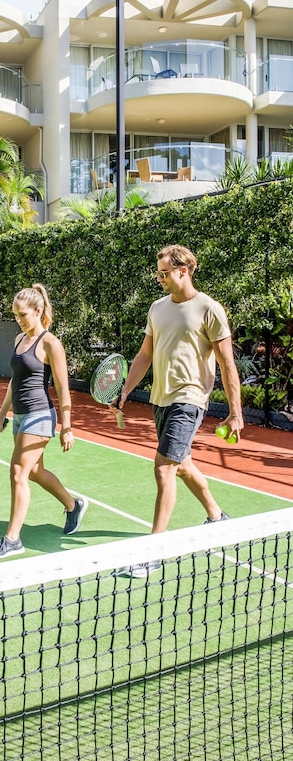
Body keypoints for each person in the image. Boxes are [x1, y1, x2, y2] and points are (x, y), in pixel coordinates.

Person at [116, 245, 244, 577]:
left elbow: (227, 363)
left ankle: (154, 551)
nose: (159, 278)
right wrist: (126, 389)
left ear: (183, 271)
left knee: (164, 469)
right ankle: (217, 516)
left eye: (164, 273)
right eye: (158, 273)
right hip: (160, 399)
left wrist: (235, 412)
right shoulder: (157, 308)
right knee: (182, 465)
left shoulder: (209, 309)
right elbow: (145, 355)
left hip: (189, 399)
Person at [0, 284, 86, 559]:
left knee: (18, 472)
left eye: (23, 315)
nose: (19, 320)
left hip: (40, 415)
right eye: (16, 315)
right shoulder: (19, 339)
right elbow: (14, 381)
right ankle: (73, 505)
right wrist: (3, 412)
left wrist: (67, 426)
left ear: (38, 311)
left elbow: (63, 388)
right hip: (19, 416)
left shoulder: (50, 343)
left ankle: (12, 540)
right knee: (35, 472)